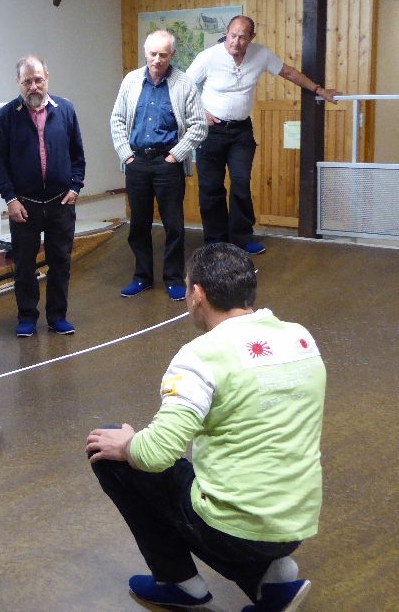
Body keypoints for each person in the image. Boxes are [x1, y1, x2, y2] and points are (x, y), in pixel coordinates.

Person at [85, 243, 325, 612]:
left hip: (239, 529)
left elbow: (156, 453)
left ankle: (178, 582)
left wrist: (129, 443)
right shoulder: (300, 337)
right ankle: (270, 579)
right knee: (209, 480)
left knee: (109, 451)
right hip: (297, 521)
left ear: (197, 294)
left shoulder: (200, 356)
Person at [187, 15, 340, 255]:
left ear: (252, 38)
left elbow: (289, 73)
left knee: (240, 183)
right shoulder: (208, 57)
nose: (236, 42)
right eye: (233, 35)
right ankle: (215, 242)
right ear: (226, 32)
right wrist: (199, 112)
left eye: (242, 37)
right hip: (210, 132)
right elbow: (184, 87)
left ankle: (241, 238)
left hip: (241, 133)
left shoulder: (261, 54)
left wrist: (318, 89)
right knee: (211, 188)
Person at [0, 55, 85, 338]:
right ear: (18, 82)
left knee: (61, 263)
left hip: (61, 204)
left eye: (38, 80)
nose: (34, 86)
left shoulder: (65, 110)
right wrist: (10, 199)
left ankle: (57, 316)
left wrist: (75, 187)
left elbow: (78, 155)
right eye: (27, 81)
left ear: (47, 79)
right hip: (24, 207)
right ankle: (27, 317)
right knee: (24, 266)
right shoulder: (6, 116)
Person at [111, 30, 207, 301]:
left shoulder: (184, 84)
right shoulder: (131, 81)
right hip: (137, 161)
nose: (157, 60)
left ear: (172, 55)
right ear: (145, 52)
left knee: (173, 225)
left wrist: (176, 156)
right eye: (152, 54)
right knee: (138, 224)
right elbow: (117, 120)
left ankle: (174, 279)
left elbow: (199, 126)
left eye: (163, 55)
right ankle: (141, 276)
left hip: (168, 162)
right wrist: (126, 155)